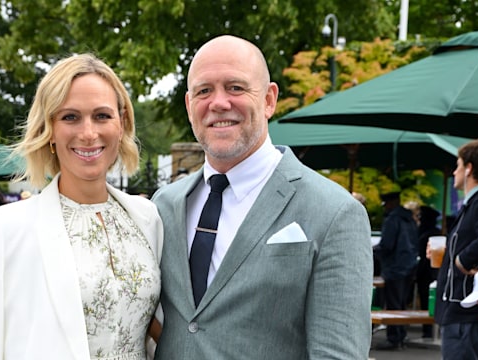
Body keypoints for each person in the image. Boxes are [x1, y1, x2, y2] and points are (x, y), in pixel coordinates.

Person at [151, 35, 372, 359]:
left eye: (236, 87)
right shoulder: (163, 206)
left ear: (269, 99)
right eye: (204, 91)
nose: (219, 103)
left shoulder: (335, 213)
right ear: (189, 106)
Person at [0, 53, 163, 359]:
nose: (88, 133)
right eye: (70, 117)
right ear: (50, 128)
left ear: (121, 124)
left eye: (102, 116)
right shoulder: (2, 229)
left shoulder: (148, 219)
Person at [432, 139, 478, 359]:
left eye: (458, 165)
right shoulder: (476, 203)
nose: (454, 171)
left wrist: (462, 259)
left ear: (469, 168)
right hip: (463, 313)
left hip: (467, 315)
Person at [372, 191, 418, 350]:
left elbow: (387, 245)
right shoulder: (409, 219)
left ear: (391, 203)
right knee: (401, 303)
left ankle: (394, 339)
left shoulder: (393, 219)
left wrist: (372, 251)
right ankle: (401, 335)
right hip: (409, 266)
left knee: (393, 304)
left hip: (394, 267)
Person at [416, 205, 441, 338]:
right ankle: (430, 331)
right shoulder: (436, 232)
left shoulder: (424, 233)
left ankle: (428, 331)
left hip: (426, 272)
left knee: (426, 302)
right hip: (433, 272)